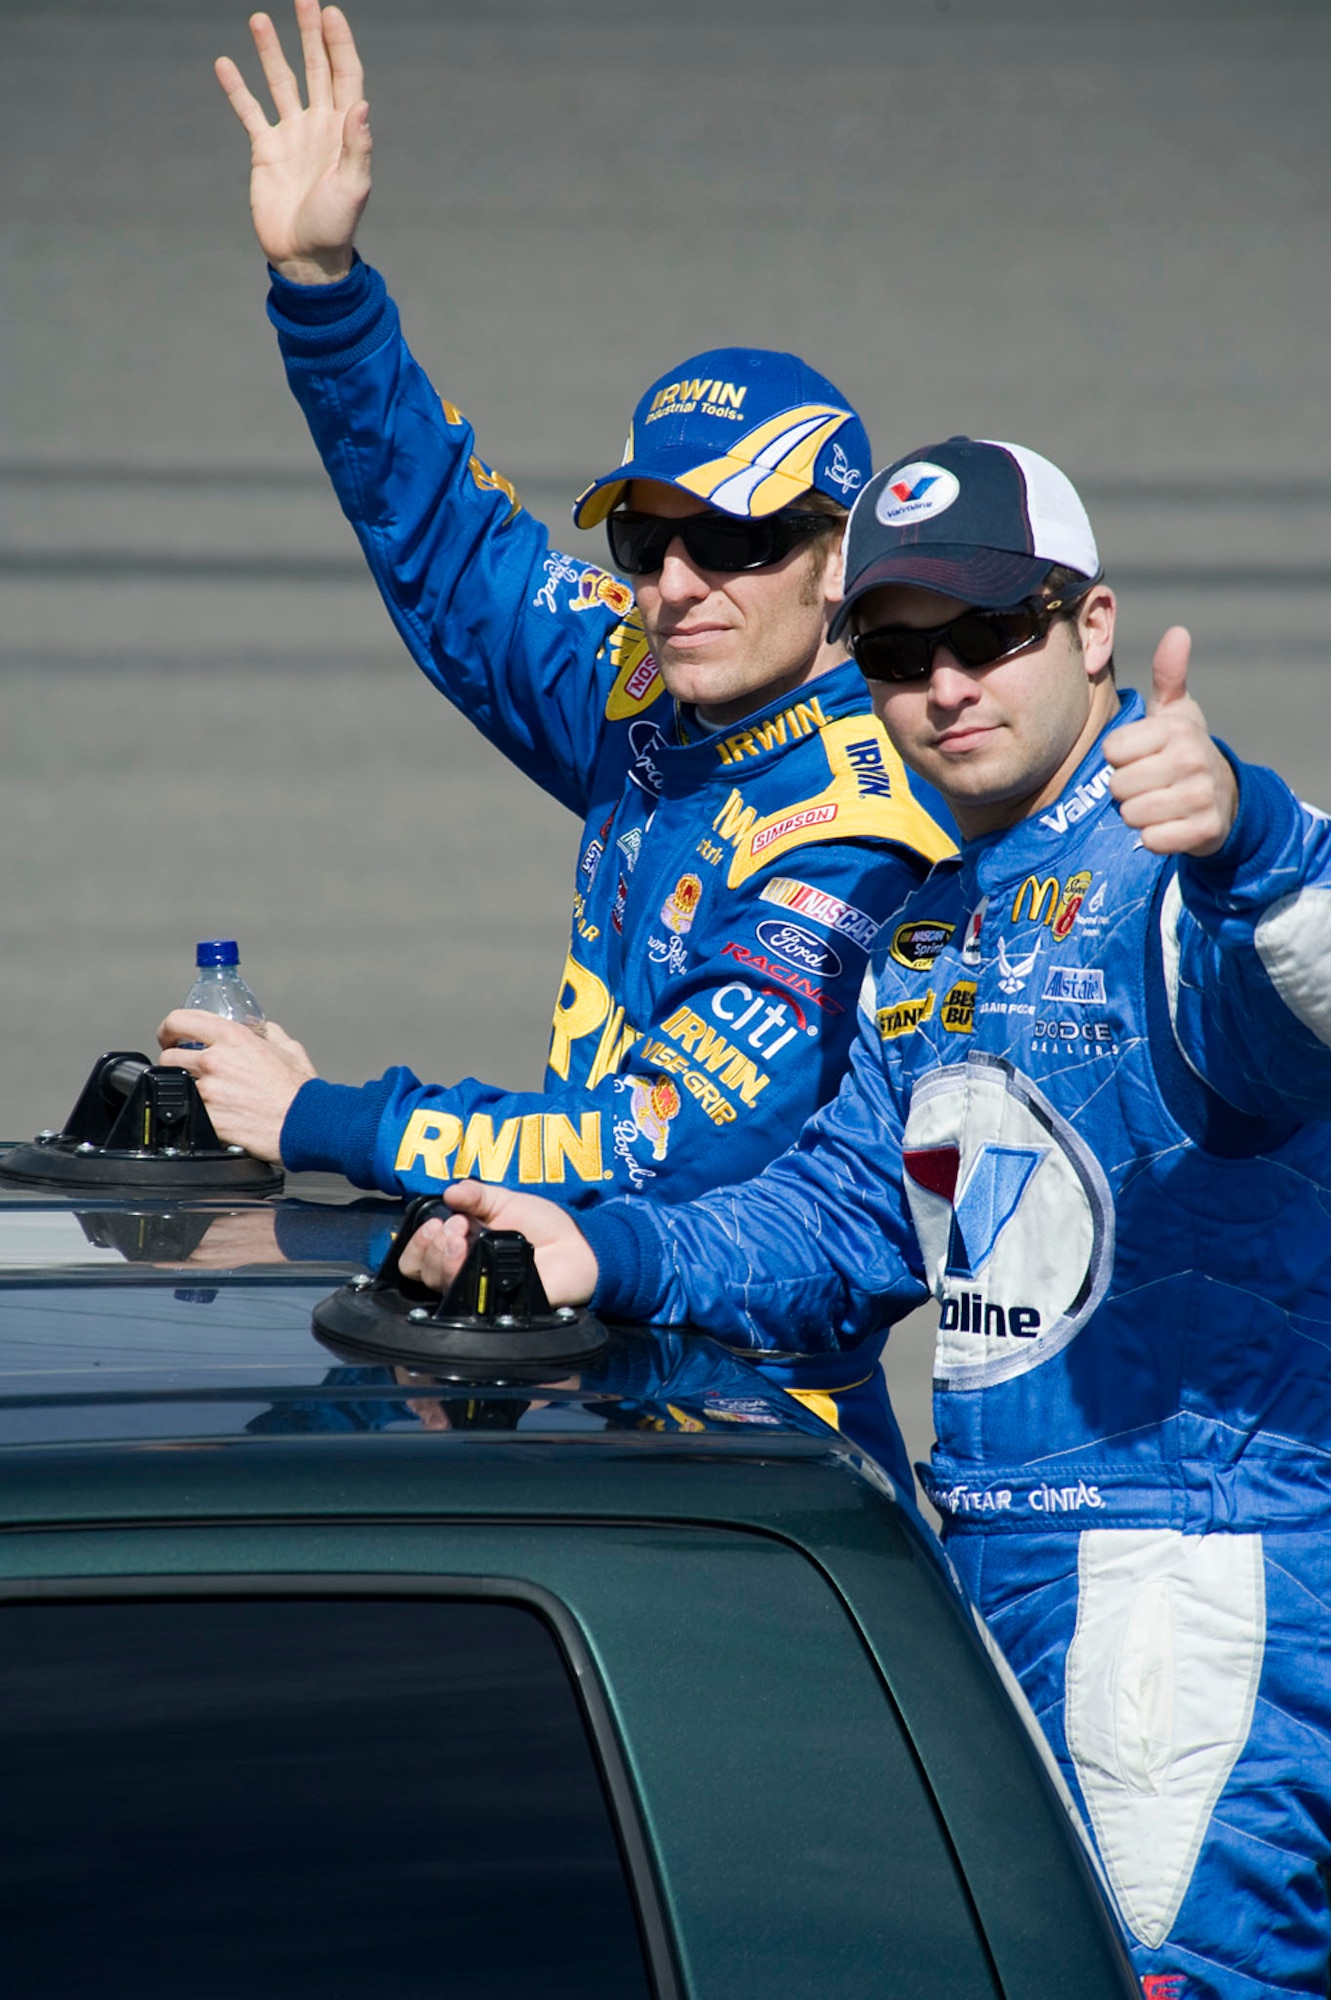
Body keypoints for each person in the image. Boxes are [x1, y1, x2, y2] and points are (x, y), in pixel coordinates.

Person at [402, 434, 1331, 1998]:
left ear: (1092, 628)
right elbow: (837, 1223)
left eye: (992, 635)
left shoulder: (1186, 882)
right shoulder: (925, 929)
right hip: (987, 1576)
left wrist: (1261, 842)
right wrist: (599, 1247)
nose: (948, 685)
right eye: (902, 652)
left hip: (1186, 1596)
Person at [157, 0, 955, 1462]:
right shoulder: (651, 679)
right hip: (584, 1364)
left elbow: (667, 1143)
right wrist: (323, 287)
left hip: (758, 1442)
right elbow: (455, 550)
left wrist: (328, 1117)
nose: (676, 584)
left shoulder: (863, 829)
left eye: (739, 542)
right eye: (650, 537)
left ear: (839, 564)